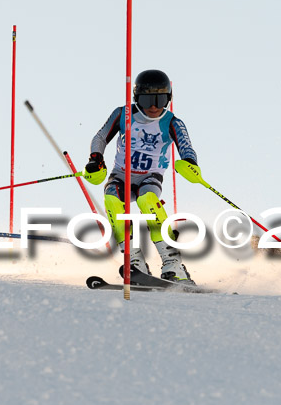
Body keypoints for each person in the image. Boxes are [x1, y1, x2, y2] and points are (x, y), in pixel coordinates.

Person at [82, 69, 199, 283]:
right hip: (121, 174)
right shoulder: (123, 114)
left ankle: (173, 263)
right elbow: (100, 137)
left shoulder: (173, 122)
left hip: (149, 176)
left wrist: (190, 163)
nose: (153, 106)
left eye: (160, 99)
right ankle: (134, 260)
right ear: (137, 98)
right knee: (112, 200)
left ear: (168, 99)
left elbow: (187, 147)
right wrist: (95, 158)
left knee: (148, 200)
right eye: (147, 100)